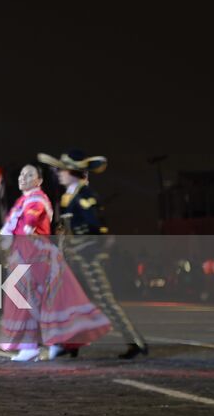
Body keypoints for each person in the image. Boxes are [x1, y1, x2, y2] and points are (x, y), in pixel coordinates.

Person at [40, 149, 149, 359]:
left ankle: (135, 341)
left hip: (87, 256)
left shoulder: (84, 196)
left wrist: (90, 250)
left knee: (105, 300)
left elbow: (97, 228)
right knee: (69, 302)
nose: (59, 174)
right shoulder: (68, 196)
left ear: (74, 172)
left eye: (63, 170)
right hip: (72, 257)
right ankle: (70, 344)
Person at [0, 164, 111, 361]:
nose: (23, 177)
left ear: (39, 180)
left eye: (29, 174)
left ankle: (31, 345)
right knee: (42, 301)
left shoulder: (37, 199)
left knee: (34, 299)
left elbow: (31, 221)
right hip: (25, 253)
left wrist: (25, 230)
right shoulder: (23, 201)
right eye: (21, 174)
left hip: (35, 254)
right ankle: (54, 343)